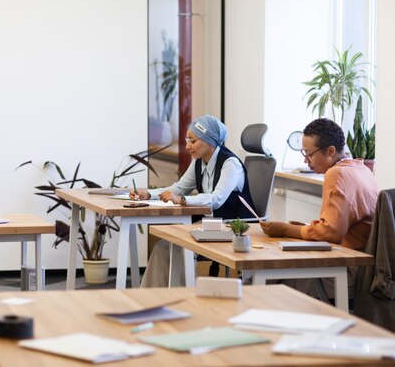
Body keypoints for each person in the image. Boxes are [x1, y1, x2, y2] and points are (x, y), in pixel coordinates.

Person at [260, 118, 379, 300]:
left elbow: (331, 233)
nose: (306, 160)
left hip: (345, 270)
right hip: (365, 270)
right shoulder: (361, 169)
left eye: (309, 154)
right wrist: (307, 226)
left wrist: (285, 229)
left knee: (265, 276)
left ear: (331, 151)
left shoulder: (336, 173)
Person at [133, 115, 255, 287]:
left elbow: (216, 199)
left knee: (182, 248)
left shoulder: (230, 164)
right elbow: (179, 188)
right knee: (163, 246)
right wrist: (149, 194)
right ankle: (149, 298)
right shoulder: (199, 161)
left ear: (210, 141)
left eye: (193, 140)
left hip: (233, 228)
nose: (187, 146)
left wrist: (182, 200)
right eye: (186, 139)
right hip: (209, 225)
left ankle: (183, 300)